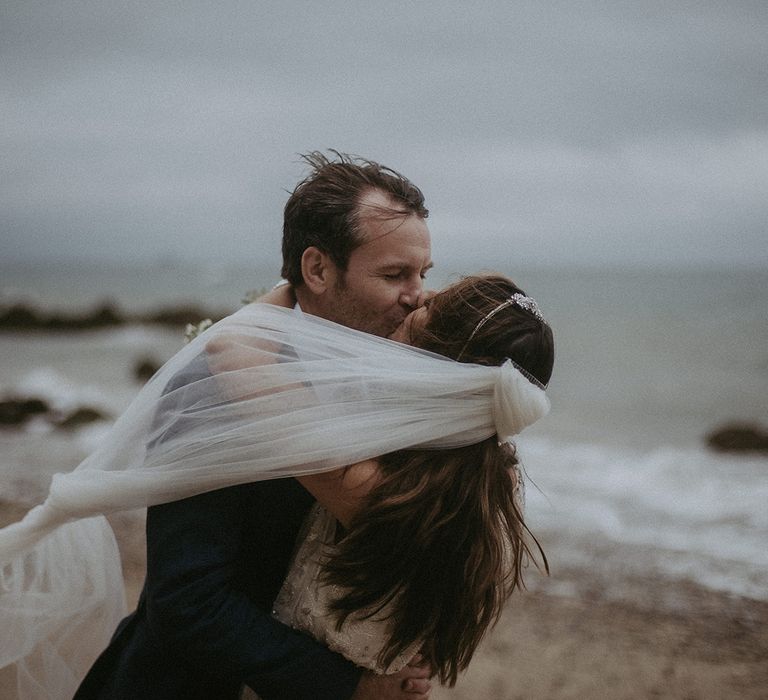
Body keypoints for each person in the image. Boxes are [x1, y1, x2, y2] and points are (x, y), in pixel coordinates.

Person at [72, 152, 435, 700]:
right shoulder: (215, 387)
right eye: (394, 274)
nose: (417, 295)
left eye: (423, 274)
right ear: (317, 270)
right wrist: (347, 686)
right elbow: (186, 601)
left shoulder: (389, 385)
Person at [267, 273, 554, 688]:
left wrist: (295, 282)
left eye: (429, 305)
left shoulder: (371, 483)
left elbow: (229, 351)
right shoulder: (496, 485)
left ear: (441, 357)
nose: (418, 296)